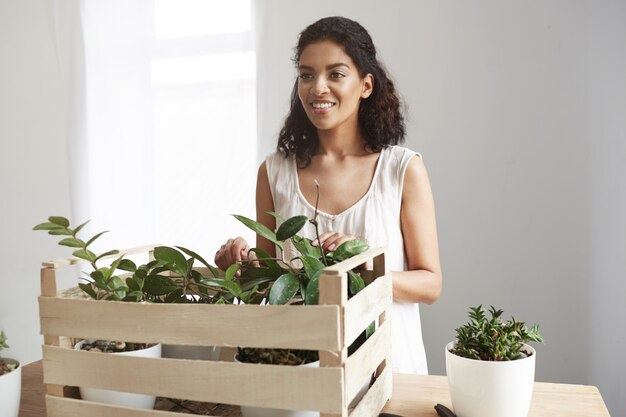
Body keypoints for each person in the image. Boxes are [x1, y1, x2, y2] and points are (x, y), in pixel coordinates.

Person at [214, 16, 442, 374]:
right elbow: (270, 284)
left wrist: (367, 268)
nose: (318, 87)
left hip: (391, 370)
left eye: (335, 74)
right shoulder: (274, 173)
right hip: (302, 371)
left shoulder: (402, 169)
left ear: (366, 86)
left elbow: (430, 284)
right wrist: (240, 266)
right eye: (307, 74)